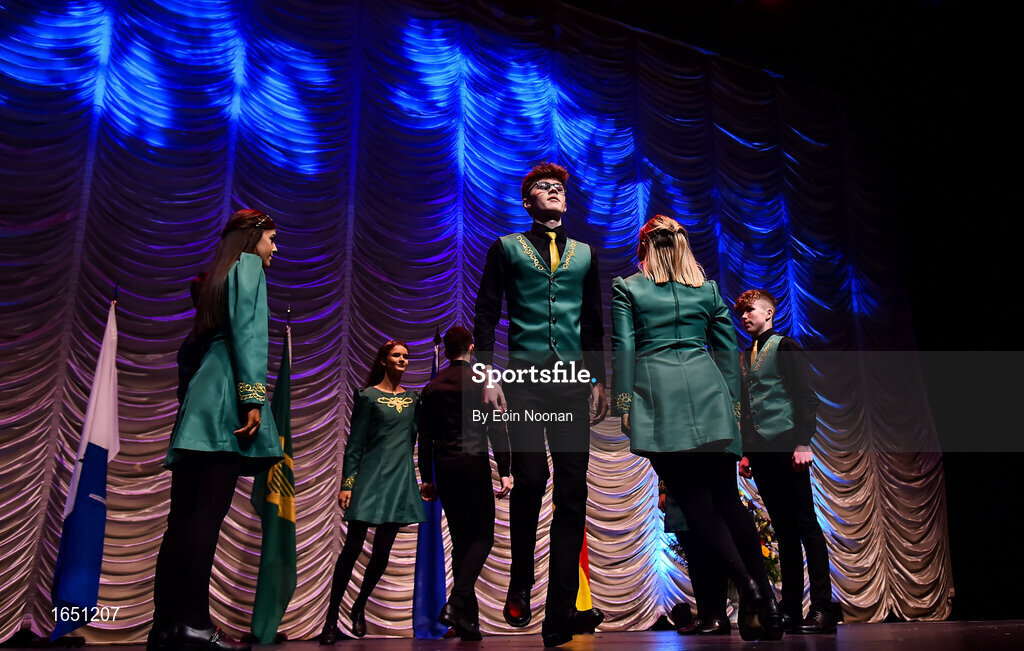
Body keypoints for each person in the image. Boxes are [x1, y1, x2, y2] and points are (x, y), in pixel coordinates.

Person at [611, 215, 783, 641]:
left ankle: (747, 586)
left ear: (644, 247)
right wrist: (732, 407)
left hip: (659, 396)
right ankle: (766, 600)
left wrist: (624, 402)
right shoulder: (706, 291)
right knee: (727, 500)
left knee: (695, 502)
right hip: (709, 393)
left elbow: (625, 347)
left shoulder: (627, 288)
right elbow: (727, 353)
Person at [472, 163, 607, 647]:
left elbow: (593, 324)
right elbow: (486, 314)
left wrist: (597, 379)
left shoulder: (586, 255)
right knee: (531, 477)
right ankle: (520, 579)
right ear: (527, 202)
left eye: (559, 188)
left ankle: (560, 611)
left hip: (570, 382)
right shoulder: (506, 247)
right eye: (542, 188)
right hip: (526, 380)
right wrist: (486, 373)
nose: (554, 192)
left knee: (573, 493)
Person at [151, 209, 284, 651]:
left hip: (200, 406)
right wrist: (252, 397)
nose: (274, 249)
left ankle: (166, 626)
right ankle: (194, 624)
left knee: (182, 521)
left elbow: (187, 359)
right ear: (251, 240)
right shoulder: (247, 269)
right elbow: (249, 335)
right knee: (206, 515)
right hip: (228, 397)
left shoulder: (216, 278)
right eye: (271, 239)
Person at [734, 289, 839, 634]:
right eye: (742, 312)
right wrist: (747, 451)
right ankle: (792, 608)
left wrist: (803, 442)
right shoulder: (745, 355)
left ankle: (823, 608)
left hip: (788, 447)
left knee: (806, 524)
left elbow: (806, 397)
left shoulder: (786, 346)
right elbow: (747, 408)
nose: (745, 316)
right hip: (762, 452)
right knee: (784, 530)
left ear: (769, 312)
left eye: (750, 310)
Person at [319, 340, 426, 643]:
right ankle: (329, 620)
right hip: (368, 480)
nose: (403, 360)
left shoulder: (415, 400)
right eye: (396, 355)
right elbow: (354, 446)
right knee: (352, 550)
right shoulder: (367, 397)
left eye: (406, 356)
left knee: (382, 554)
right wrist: (346, 484)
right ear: (383, 361)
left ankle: (359, 606)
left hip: (399, 482)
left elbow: (424, 438)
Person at [417, 326, 513, 641]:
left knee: (461, 541)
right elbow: (497, 430)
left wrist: (427, 479)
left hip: (445, 468)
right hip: (473, 464)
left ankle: (467, 623)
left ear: (445, 351)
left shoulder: (431, 387)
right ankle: (457, 604)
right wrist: (506, 470)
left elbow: (426, 439)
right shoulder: (483, 382)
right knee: (483, 536)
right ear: (472, 347)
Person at [657, 480, 731, 636]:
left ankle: (718, 615)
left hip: (703, 479)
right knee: (693, 553)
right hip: (677, 485)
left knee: (714, 550)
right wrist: (663, 490)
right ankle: (703, 616)